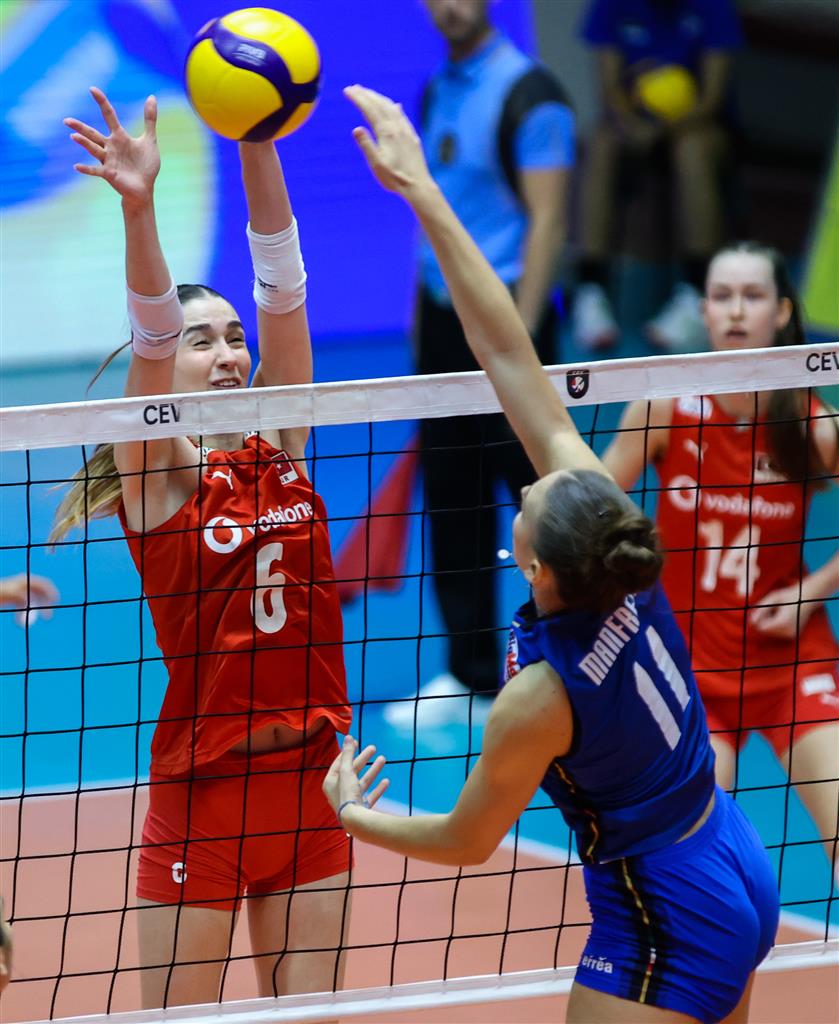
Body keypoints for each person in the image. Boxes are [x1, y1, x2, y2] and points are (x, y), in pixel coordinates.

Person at [326, 84, 779, 1024]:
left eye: (529, 501)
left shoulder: (538, 695)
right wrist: (423, 193)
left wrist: (354, 816)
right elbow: (504, 352)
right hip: (730, 852)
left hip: (666, 909)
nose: (531, 485)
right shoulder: (614, 541)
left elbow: (465, 840)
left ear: (531, 568)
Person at [50, 88, 352, 1008]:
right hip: (205, 797)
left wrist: (257, 135)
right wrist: (139, 208)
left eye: (233, 339)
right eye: (201, 343)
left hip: (315, 785)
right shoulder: (157, 477)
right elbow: (148, 331)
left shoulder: (283, 441)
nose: (226, 354)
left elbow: (284, 289)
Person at [602, 241, 839, 882]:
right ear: (703, 311)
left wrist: (812, 590)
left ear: (782, 313)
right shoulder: (665, 407)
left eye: (752, 296)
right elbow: (587, 508)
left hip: (789, 661)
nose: (736, 310)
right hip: (692, 669)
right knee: (694, 866)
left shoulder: (812, 424)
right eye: (722, 296)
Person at [383, 0, 575, 728]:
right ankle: (470, 677)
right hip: (442, 321)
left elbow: (547, 220)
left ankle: (567, 665)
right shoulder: (438, 88)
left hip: (508, 323)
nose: (450, 6)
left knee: (543, 506)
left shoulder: (533, 94)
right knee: (453, 499)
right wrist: (421, 328)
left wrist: (518, 337)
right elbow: (433, 216)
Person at [573, 0, 742, 354]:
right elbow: (610, 91)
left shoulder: (715, 6)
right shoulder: (611, 5)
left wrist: (665, 131)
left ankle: (697, 293)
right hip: (634, 125)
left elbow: (711, 99)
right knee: (601, 144)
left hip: (696, 125)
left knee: (691, 149)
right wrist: (634, 126)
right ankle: (591, 290)